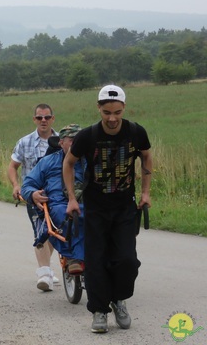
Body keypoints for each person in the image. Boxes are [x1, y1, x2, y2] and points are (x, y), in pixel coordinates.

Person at [63, 85, 152, 334]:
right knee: (96, 260)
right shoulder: (87, 136)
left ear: (124, 108)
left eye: (117, 112)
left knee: (127, 260)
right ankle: (99, 311)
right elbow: (68, 164)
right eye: (107, 113)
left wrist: (145, 192)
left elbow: (146, 156)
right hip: (95, 208)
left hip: (125, 207)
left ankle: (118, 299)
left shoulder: (135, 132)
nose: (112, 118)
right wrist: (72, 198)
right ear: (99, 108)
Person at [7, 103, 60, 291]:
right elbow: (13, 166)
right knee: (40, 230)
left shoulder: (63, 141)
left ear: (53, 118)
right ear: (34, 119)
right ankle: (44, 273)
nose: (43, 121)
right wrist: (16, 185)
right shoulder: (25, 142)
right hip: (34, 195)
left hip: (57, 195)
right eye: (39, 118)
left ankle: (46, 268)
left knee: (56, 232)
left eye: (47, 117)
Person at [21, 124, 86, 275]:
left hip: (85, 201)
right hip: (58, 203)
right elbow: (28, 185)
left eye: (79, 140)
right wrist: (32, 194)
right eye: (72, 140)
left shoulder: (91, 161)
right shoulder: (48, 162)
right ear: (61, 142)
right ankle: (73, 258)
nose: (76, 144)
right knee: (62, 213)